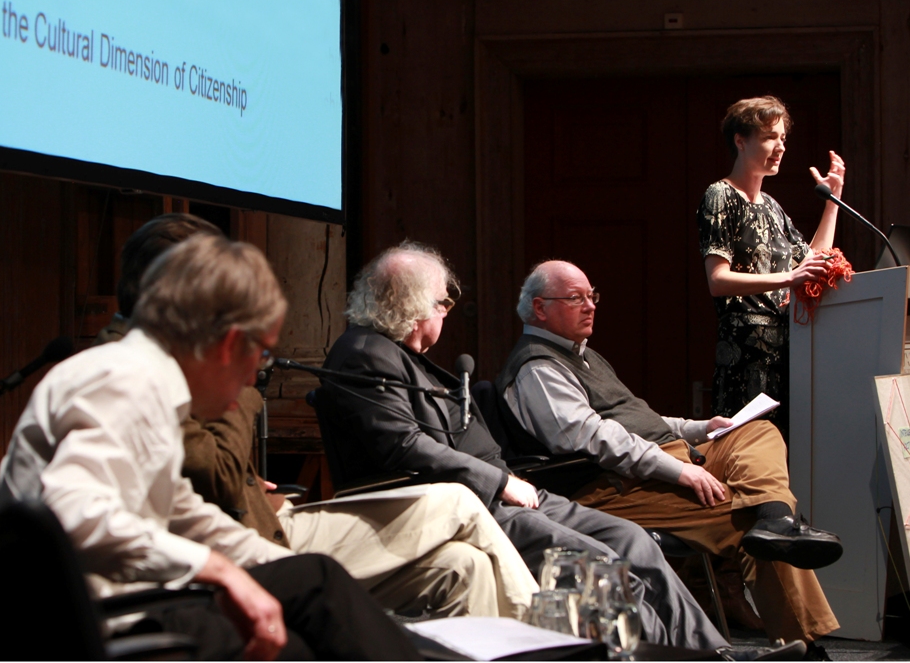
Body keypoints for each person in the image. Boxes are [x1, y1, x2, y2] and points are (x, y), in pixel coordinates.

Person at [320, 241, 802, 657]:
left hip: (502, 490)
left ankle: (714, 654)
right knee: (602, 562)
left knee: (632, 541)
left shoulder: (395, 353)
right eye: (443, 301)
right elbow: (405, 447)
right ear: (412, 304)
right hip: (467, 502)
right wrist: (500, 481)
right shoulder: (365, 354)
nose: (447, 311)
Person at [0, 234, 419, 660]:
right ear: (230, 343)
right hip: (103, 627)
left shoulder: (140, 379)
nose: (255, 375)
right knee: (307, 619)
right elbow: (69, 513)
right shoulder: (126, 379)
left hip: (119, 611)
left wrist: (274, 561)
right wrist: (218, 570)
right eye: (263, 354)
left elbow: (187, 517)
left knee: (313, 585)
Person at [97, 213, 538, 620]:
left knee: (464, 565)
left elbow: (199, 473)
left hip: (263, 523)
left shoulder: (166, 361)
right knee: (458, 501)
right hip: (250, 541)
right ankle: (546, 635)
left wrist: (246, 480)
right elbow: (211, 475)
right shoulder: (128, 370)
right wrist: (242, 380)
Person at [496, 259, 841, 649]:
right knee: (746, 516)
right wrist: (678, 470)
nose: (590, 306)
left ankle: (775, 517)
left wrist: (699, 428)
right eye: (576, 298)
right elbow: (593, 438)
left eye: (592, 296)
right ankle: (806, 644)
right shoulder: (538, 368)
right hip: (612, 486)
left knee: (757, 431)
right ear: (540, 308)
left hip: (662, 458)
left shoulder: (582, 354)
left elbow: (639, 419)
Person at [697, 95, 844, 438]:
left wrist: (833, 201)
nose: (780, 147)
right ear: (740, 141)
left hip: (787, 353)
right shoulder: (720, 195)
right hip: (745, 358)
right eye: (769, 138)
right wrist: (790, 277)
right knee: (749, 452)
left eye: (783, 138)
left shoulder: (772, 207)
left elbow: (811, 260)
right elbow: (717, 280)